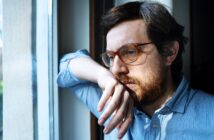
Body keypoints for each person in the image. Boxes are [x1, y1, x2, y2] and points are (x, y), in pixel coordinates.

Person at [57, 1, 214, 140]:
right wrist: (102, 75)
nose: (116, 69)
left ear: (169, 52)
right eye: (111, 57)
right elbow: (65, 66)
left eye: (130, 52)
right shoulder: (111, 103)